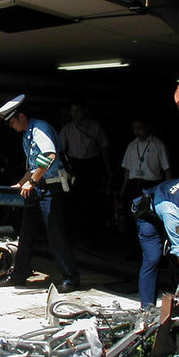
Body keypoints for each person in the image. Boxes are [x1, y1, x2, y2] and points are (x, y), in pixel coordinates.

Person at [0, 94, 80, 293]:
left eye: (12, 122)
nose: (11, 126)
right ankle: (19, 274)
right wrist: (21, 183)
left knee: (55, 233)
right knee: (26, 233)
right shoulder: (27, 133)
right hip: (38, 187)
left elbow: (49, 155)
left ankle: (71, 277)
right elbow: (33, 165)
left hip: (51, 186)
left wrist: (31, 182)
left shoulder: (40, 128)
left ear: (21, 117)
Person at [132, 176, 179, 307]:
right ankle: (147, 307)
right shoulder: (173, 214)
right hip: (149, 216)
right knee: (153, 258)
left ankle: (177, 292)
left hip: (171, 208)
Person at [59, 101, 111, 247]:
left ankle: (92, 238)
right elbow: (60, 151)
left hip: (91, 165)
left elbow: (103, 148)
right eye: (72, 111)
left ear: (84, 111)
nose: (75, 114)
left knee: (92, 201)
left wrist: (107, 169)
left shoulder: (94, 127)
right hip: (74, 166)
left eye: (78, 111)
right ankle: (74, 237)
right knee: (74, 202)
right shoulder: (67, 129)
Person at [119, 119, 172, 202]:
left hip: (152, 184)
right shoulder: (131, 146)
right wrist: (123, 189)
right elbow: (127, 170)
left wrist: (168, 188)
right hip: (134, 185)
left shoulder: (158, 145)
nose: (137, 131)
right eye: (134, 129)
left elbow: (167, 169)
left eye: (139, 128)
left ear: (147, 127)